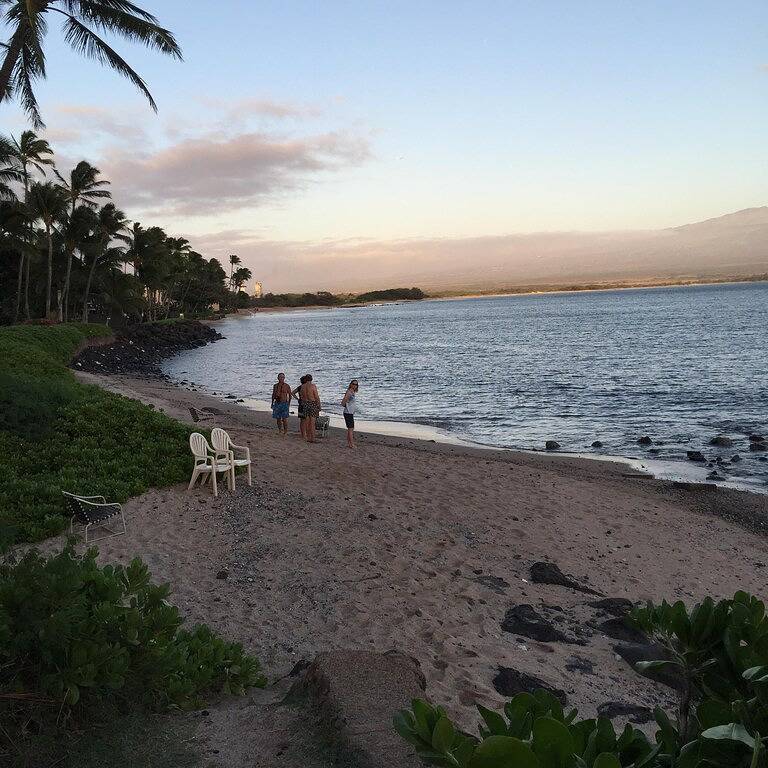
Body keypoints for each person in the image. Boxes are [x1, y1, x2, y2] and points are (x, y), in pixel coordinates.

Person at [299, 374, 321, 443]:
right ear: (311, 379)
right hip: (312, 403)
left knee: (307, 422)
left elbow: (302, 397)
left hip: (305, 404)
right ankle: (313, 438)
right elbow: (316, 397)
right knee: (312, 423)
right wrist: (319, 405)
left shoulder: (302, 387)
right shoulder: (313, 386)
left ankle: (308, 437)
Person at [341, 379, 359, 448]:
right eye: (354, 384)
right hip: (348, 413)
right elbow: (343, 402)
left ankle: (349, 443)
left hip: (350, 413)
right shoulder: (349, 392)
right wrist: (347, 406)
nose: (355, 386)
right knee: (351, 429)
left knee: (350, 429)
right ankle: (352, 444)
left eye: (356, 384)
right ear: (351, 384)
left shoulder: (352, 392)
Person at [292, 375, 308, 439]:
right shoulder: (307, 387)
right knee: (306, 419)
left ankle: (303, 434)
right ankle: (305, 434)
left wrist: (298, 399)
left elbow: (292, 393)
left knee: (302, 420)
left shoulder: (300, 387)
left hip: (301, 404)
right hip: (306, 404)